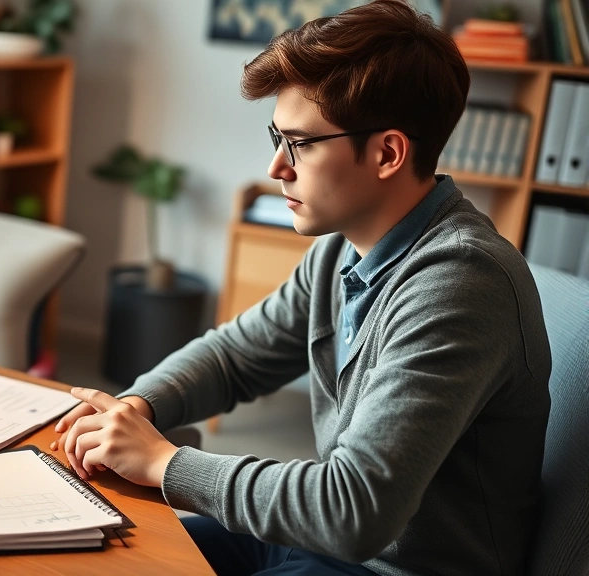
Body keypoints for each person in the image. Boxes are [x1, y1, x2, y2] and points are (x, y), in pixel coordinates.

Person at [50, 1, 551, 574]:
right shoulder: (345, 247)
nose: (275, 167)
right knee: (117, 558)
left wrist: (164, 462)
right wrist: (137, 408)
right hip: (321, 541)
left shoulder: (460, 284)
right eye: (276, 137)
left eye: (301, 144)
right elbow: (236, 355)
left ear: (388, 152)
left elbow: (353, 510)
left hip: (393, 566)